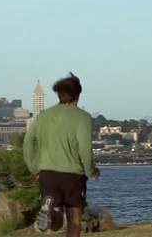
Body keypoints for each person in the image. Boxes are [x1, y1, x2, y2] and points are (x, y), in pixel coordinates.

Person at [23, 72, 100, 237]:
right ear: (77, 95)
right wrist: (91, 169)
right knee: (74, 223)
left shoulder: (44, 116)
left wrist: (34, 168)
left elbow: (28, 142)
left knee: (56, 224)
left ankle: (50, 212)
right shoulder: (83, 117)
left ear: (59, 94)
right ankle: (50, 213)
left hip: (48, 174)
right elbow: (85, 148)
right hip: (73, 175)